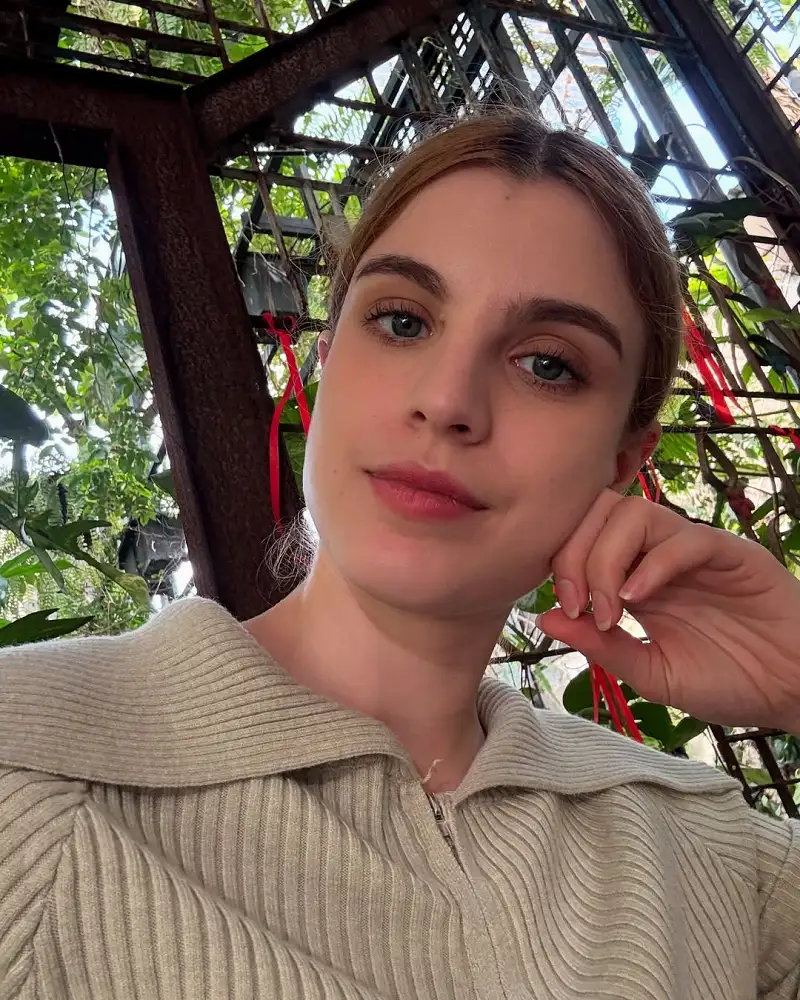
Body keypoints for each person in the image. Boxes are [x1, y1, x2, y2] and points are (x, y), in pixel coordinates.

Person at [1, 108, 799, 1000]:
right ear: (327, 360)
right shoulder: (25, 771)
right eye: (403, 321)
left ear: (622, 460)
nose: (448, 400)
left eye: (548, 364)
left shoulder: (714, 852)